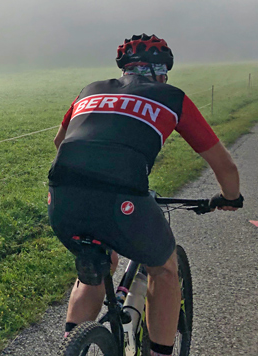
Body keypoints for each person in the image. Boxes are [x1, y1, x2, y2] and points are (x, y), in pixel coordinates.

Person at [47, 34, 244, 356]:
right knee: (164, 270)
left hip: (62, 197)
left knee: (94, 268)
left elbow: (60, 143)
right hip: (122, 199)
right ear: (162, 71)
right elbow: (225, 166)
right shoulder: (172, 97)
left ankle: (72, 347)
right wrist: (230, 198)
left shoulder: (90, 90)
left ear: (124, 69)